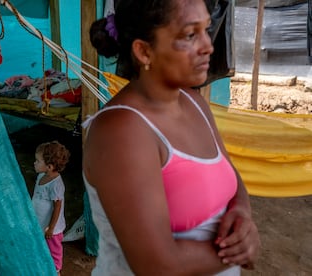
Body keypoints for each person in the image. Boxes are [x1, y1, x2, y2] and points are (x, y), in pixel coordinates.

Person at [83, 0, 261, 275]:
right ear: (143, 51)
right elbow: (157, 266)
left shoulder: (194, 103)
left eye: (206, 29)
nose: (208, 46)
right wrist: (239, 252)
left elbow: (230, 176)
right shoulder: (122, 131)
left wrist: (241, 211)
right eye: (190, 35)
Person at [32, 141, 70, 275]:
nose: (34, 163)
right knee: (43, 245)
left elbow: (57, 207)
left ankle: (56, 270)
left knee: (54, 248)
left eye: (37, 161)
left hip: (52, 227)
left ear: (49, 166)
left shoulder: (56, 185)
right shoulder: (41, 176)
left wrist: (51, 227)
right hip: (41, 222)